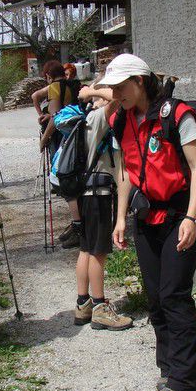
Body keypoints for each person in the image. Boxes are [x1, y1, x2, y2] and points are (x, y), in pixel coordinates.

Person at [100, 54, 196, 391]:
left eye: (121, 87)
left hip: (181, 216)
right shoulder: (120, 120)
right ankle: (169, 368)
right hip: (146, 219)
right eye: (112, 88)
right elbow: (126, 173)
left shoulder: (178, 116)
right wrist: (119, 219)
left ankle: (184, 382)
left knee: (174, 295)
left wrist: (192, 218)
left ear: (141, 81)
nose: (116, 94)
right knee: (155, 298)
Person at [71, 83, 133, 331]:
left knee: (86, 248)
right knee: (98, 250)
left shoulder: (86, 118)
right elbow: (118, 97)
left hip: (85, 191)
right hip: (98, 193)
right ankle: (99, 307)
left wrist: (91, 91)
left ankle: (83, 303)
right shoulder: (99, 117)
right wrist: (93, 90)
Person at [31, 60, 82, 247]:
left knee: (65, 179)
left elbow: (55, 118)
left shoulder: (53, 87)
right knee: (77, 179)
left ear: (48, 76)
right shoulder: (76, 84)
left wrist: (44, 139)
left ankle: (79, 227)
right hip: (80, 135)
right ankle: (78, 223)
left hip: (62, 138)